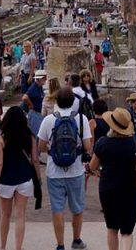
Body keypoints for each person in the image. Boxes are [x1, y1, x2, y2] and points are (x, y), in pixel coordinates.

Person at [38, 87, 93, 250]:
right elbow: (88, 146)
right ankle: (76, 240)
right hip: (76, 170)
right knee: (77, 208)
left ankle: (60, 244)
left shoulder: (48, 120)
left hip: (54, 171)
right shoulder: (81, 119)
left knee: (57, 209)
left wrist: (51, 149)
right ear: (73, 102)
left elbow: (40, 146)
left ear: (56, 101)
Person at [88, 107, 136, 250]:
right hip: (130, 187)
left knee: (112, 227)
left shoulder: (103, 143)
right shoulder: (135, 142)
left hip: (108, 187)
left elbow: (92, 166)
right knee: (127, 230)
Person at [0, 106, 39, 250]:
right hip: (24, 177)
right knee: (20, 215)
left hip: (6, 179)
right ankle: (18, 247)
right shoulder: (29, 136)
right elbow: (35, 159)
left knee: (5, 214)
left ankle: (3, 246)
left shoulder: (2, 138)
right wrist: (38, 177)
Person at [22, 70, 47, 137]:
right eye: (44, 78)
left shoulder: (39, 86)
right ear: (39, 79)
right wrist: (30, 104)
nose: (45, 80)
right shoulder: (33, 88)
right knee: (36, 134)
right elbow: (24, 97)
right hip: (34, 114)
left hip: (38, 113)